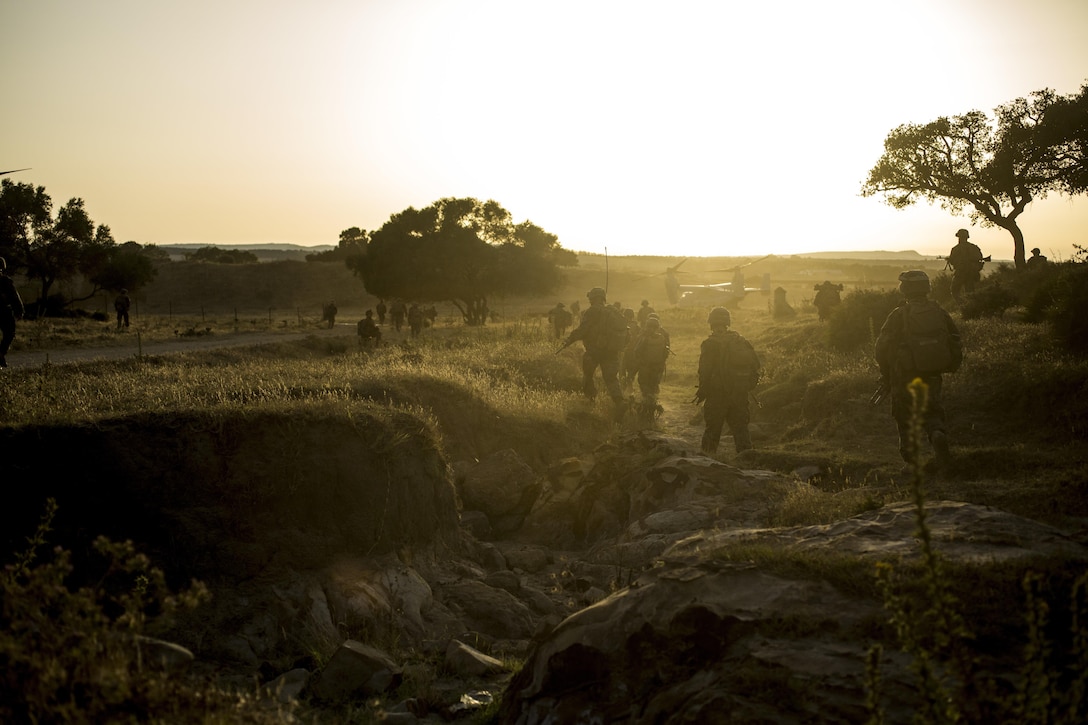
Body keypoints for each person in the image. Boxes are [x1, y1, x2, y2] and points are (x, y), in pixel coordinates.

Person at [875, 270, 962, 468]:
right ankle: (937, 433)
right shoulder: (939, 312)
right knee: (932, 409)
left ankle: (911, 458)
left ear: (905, 290)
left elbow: (881, 347)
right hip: (932, 372)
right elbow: (955, 339)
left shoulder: (899, 314)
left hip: (904, 373)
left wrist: (886, 372)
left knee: (904, 413)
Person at [696, 306, 761, 455]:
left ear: (711, 323)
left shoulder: (709, 344)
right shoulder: (741, 341)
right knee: (741, 429)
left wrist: (702, 391)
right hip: (739, 394)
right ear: (728, 323)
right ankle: (746, 460)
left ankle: (706, 463)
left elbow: (704, 371)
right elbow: (756, 365)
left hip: (717, 395)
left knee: (713, 429)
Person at [561, 287, 628, 420]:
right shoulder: (614, 311)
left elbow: (583, 330)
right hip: (612, 352)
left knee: (588, 375)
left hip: (594, 351)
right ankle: (620, 402)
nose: (590, 300)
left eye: (590, 297)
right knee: (611, 379)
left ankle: (590, 402)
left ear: (593, 298)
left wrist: (569, 339)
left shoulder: (591, 311)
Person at [630, 315, 671, 426]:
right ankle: (652, 413)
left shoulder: (644, 338)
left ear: (647, 327)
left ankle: (644, 415)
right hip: (657, 369)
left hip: (645, 368)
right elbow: (665, 354)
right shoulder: (662, 338)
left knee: (645, 390)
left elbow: (637, 352)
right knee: (653, 389)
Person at [0, 256, 25, 368]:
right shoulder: (5, 281)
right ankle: (1, 353)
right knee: (9, 333)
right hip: (4, 311)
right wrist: (19, 311)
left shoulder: (6, 282)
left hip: (4, 311)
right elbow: (14, 297)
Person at [947, 229, 985, 302]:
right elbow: (980, 259)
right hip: (972, 273)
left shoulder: (956, 249)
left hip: (961, 273)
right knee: (970, 292)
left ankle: (963, 305)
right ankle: (969, 306)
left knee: (954, 290)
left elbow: (952, 261)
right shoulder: (974, 247)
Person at [620, 308, 641, 390]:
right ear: (632, 316)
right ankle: (630, 385)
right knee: (631, 369)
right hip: (633, 351)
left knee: (622, 368)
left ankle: (623, 386)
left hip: (623, 350)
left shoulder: (621, 325)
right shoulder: (636, 326)